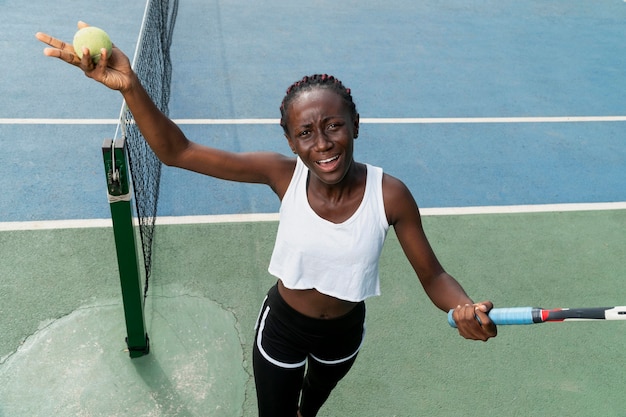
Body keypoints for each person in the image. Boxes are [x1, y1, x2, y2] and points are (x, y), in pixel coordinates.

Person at [36, 23, 497, 417]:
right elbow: (177, 152)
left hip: (343, 332)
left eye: (333, 125)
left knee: (312, 402)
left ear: (355, 124)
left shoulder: (390, 195)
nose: (323, 143)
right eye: (306, 133)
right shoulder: (281, 175)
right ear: (292, 143)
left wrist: (464, 307)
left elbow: (433, 274)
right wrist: (131, 85)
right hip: (282, 327)